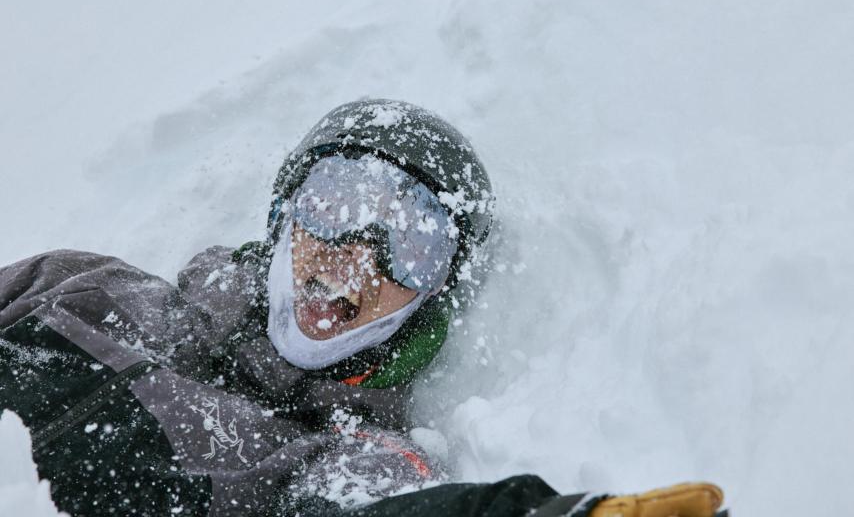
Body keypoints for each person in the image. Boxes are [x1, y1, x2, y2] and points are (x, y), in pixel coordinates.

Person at [0, 99, 726, 516]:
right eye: (335, 203)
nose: (352, 256)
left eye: (411, 244)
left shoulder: (361, 457)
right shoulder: (85, 293)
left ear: (432, 294)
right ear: (284, 216)